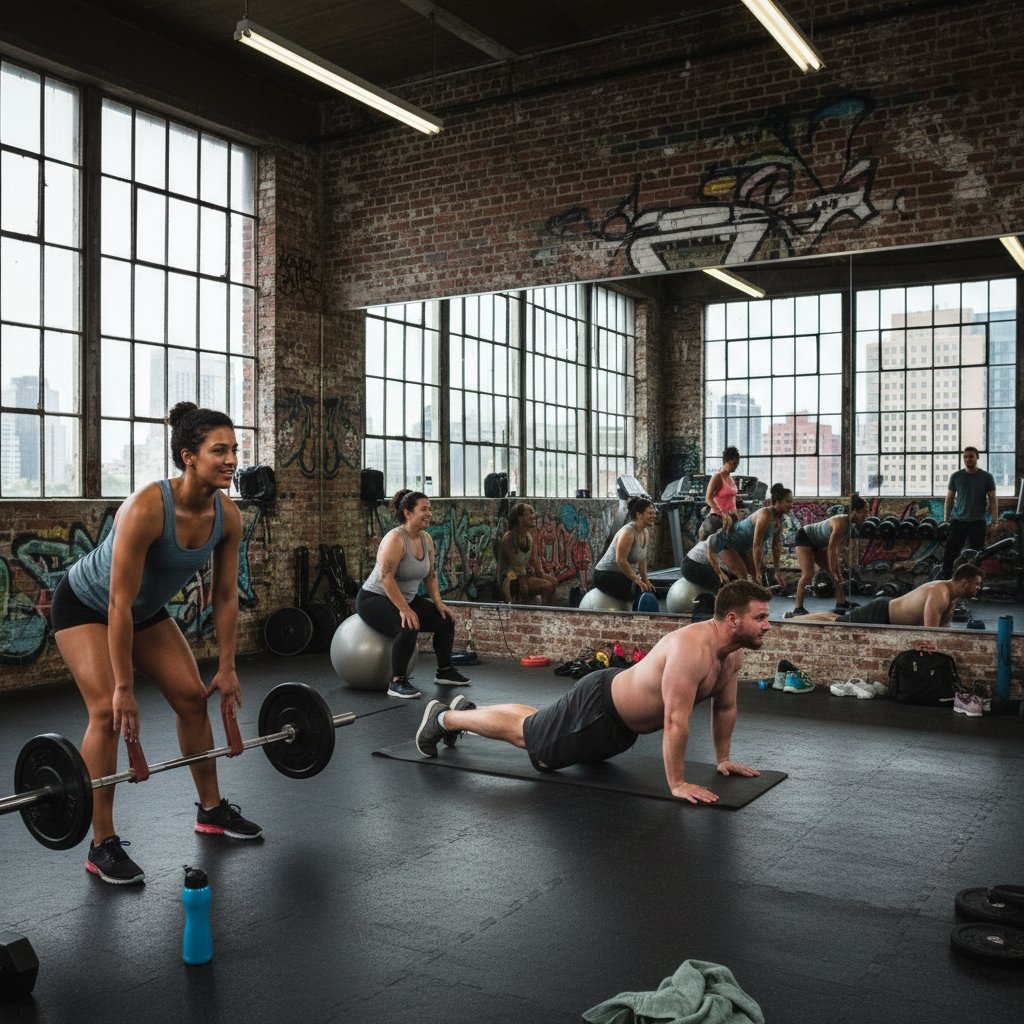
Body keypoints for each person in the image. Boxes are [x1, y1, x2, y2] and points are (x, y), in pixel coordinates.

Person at [51, 403, 261, 886]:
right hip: (87, 606)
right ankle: (101, 841)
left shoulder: (227, 516)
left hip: (143, 613)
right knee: (106, 712)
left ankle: (211, 810)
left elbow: (226, 596)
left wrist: (227, 667)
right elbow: (117, 604)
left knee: (192, 698)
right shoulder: (147, 508)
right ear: (189, 456)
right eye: (219, 450)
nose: (231, 459)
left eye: (234, 450)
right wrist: (124, 686)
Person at [414, 579, 772, 804]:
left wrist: (723, 759)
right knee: (530, 738)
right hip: (599, 710)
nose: (767, 626)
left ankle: (465, 711)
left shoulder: (732, 654)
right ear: (732, 620)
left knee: (538, 723)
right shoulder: (690, 649)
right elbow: (675, 721)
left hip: (618, 725)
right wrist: (676, 783)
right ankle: (445, 717)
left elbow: (724, 709)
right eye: (760, 618)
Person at [356, 489, 469, 699]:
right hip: (374, 598)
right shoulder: (395, 539)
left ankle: (445, 671)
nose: (429, 513)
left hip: (404, 599)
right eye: (423, 509)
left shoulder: (426, 539)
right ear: (408, 513)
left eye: (430, 509)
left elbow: (431, 575)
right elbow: (386, 577)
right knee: (407, 626)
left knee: (445, 620)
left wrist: (438, 603)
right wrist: (405, 609)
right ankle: (397, 681)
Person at [795, 564, 984, 627]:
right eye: (976, 584)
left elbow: (945, 630)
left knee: (838, 618)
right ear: (964, 582)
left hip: (886, 610)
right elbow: (931, 633)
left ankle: (800, 617)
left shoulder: (951, 597)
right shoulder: (939, 594)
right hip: (882, 612)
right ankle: (797, 620)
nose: (978, 588)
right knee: (837, 622)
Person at [787, 496, 870, 616]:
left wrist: (836, 572)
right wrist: (834, 572)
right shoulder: (842, 523)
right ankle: (798, 608)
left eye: (867, 512)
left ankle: (841, 603)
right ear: (854, 511)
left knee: (837, 574)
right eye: (864, 512)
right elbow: (831, 549)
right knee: (808, 574)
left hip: (818, 544)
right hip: (805, 537)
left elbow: (835, 550)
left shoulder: (850, 526)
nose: (866, 515)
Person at [716, 483, 793, 589]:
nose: (791, 504)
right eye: (788, 501)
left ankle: (749, 603)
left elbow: (776, 547)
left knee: (755, 584)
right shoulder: (765, 515)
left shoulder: (779, 519)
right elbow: (757, 545)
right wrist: (758, 572)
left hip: (743, 548)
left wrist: (777, 572)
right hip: (727, 542)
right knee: (744, 576)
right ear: (778, 501)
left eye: (792, 501)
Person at [942, 447, 998, 578]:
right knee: (950, 555)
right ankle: (947, 581)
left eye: (971, 456)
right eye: (965, 457)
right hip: (958, 521)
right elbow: (949, 499)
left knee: (976, 555)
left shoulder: (987, 477)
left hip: (978, 522)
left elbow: (993, 500)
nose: (968, 459)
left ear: (977, 457)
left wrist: (994, 522)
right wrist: (946, 519)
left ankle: (973, 585)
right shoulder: (956, 476)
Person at [591, 496, 657, 604]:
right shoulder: (628, 532)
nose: (654, 516)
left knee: (651, 591)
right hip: (605, 574)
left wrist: (645, 579)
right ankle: (637, 619)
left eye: (654, 513)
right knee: (637, 591)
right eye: (650, 513)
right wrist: (637, 580)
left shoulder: (645, 532)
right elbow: (620, 560)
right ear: (639, 515)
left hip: (622, 574)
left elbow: (642, 558)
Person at [498, 503, 559, 604]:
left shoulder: (529, 538)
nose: (534, 516)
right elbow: (511, 567)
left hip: (522, 576)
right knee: (547, 587)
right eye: (530, 513)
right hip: (509, 579)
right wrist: (523, 581)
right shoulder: (509, 538)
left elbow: (535, 561)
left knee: (552, 584)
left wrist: (545, 576)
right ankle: (542, 615)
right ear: (520, 518)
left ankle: (544, 615)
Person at [699, 445, 742, 539]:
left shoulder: (730, 478)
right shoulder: (717, 477)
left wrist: (735, 515)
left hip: (731, 519)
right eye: (733, 463)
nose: (735, 466)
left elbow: (732, 500)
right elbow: (708, 498)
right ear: (726, 461)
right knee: (712, 549)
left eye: (737, 464)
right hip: (717, 519)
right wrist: (723, 514)